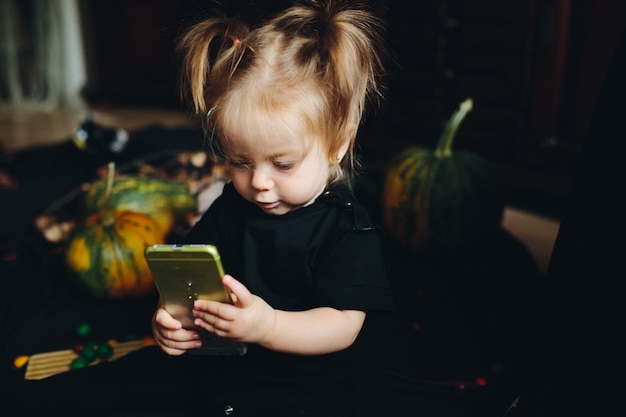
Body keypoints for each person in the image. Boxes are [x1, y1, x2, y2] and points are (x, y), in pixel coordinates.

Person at [147, 0, 394, 415]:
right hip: (231, 369)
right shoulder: (231, 206)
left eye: (282, 164)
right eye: (240, 162)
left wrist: (269, 326)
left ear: (338, 143)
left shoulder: (347, 227)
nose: (258, 182)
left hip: (311, 381)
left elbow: (343, 326)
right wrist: (169, 318)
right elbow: (188, 271)